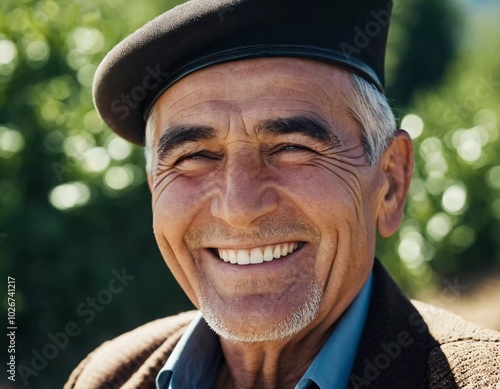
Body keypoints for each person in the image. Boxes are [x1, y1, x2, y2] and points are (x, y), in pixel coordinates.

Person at [65, 0, 500, 388]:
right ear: (154, 190)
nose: (239, 209)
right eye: (195, 155)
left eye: (292, 148)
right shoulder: (107, 377)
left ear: (391, 182)